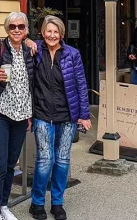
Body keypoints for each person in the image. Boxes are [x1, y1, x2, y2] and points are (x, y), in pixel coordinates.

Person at [29, 16, 91, 220]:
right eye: (48, 31)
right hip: (42, 113)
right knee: (45, 160)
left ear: (61, 34)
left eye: (56, 32)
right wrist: (28, 41)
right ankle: (37, 202)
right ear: (42, 32)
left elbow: (81, 85)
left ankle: (57, 202)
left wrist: (83, 115)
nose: (52, 35)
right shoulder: (35, 51)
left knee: (63, 160)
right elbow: (17, 38)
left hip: (67, 116)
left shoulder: (72, 54)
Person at [0, 12, 36, 220]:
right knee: (0, 163)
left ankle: (4, 205)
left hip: (21, 115)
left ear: (26, 30)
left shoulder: (30, 51)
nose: (17, 30)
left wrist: (30, 114)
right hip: (0, 113)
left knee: (12, 163)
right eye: (12, 26)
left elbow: (30, 85)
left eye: (21, 27)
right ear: (7, 29)